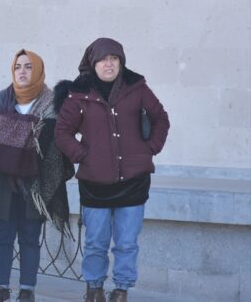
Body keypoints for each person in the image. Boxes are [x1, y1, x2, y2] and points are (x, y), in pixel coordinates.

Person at [53, 38, 169, 302]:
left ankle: (121, 290)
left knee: (127, 243)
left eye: (114, 59)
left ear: (121, 62)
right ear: (92, 64)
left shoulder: (137, 87)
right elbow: (62, 133)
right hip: (95, 182)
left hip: (134, 180)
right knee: (96, 242)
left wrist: (150, 147)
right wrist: (83, 155)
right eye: (103, 59)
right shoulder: (78, 93)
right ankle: (94, 289)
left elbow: (160, 117)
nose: (109, 64)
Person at [0, 50, 74, 302]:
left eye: (28, 67)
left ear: (39, 71)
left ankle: (27, 290)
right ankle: (1, 289)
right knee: (2, 237)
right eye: (18, 67)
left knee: (30, 238)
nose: (22, 71)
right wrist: (28, 130)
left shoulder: (52, 103)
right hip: (2, 181)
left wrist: (12, 129)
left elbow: (52, 143)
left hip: (36, 180)